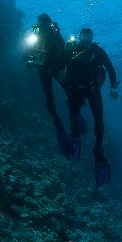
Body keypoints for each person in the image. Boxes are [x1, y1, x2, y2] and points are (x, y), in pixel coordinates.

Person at [63, 27, 118, 186]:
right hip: (76, 89)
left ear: (92, 37)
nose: (86, 38)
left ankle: (98, 149)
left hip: (93, 90)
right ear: (80, 36)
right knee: (72, 113)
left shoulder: (98, 51)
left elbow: (110, 68)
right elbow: (61, 62)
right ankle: (75, 133)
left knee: (98, 120)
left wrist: (113, 86)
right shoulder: (72, 49)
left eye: (89, 36)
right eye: (84, 35)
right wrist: (64, 49)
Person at [27, 13, 86, 158]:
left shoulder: (55, 35)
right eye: (41, 24)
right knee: (51, 99)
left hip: (56, 70)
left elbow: (64, 53)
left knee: (69, 94)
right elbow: (28, 55)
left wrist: (61, 68)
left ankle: (72, 117)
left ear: (49, 23)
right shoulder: (37, 36)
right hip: (45, 72)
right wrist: (30, 61)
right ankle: (58, 121)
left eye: (45, 23)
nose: (43, 26)